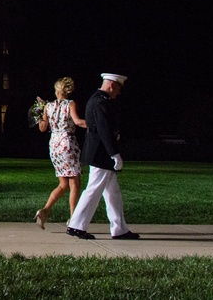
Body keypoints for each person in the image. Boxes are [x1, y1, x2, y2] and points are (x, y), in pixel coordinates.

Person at [67, 73, 140, 240]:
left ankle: (119, 228)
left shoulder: (98, 100)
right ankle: (76, 225)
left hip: (99, 154)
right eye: (118, 89)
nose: (118, 93)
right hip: (101, 155)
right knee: (93, 190)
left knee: (113, 194)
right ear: (112, 85)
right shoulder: (100, 102)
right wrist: (114, 154)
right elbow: (104, 131)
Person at [34, 76, 87, 228]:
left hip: (54, 145)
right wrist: (94, 125)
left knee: (63, 184)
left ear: (57, 90)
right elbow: (77, 121)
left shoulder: (48, 106)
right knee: (75, 183)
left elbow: (42, 128)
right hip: (67, 143)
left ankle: (44, 210)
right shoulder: (70, 104)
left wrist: (39, 111)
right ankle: (73, 218)